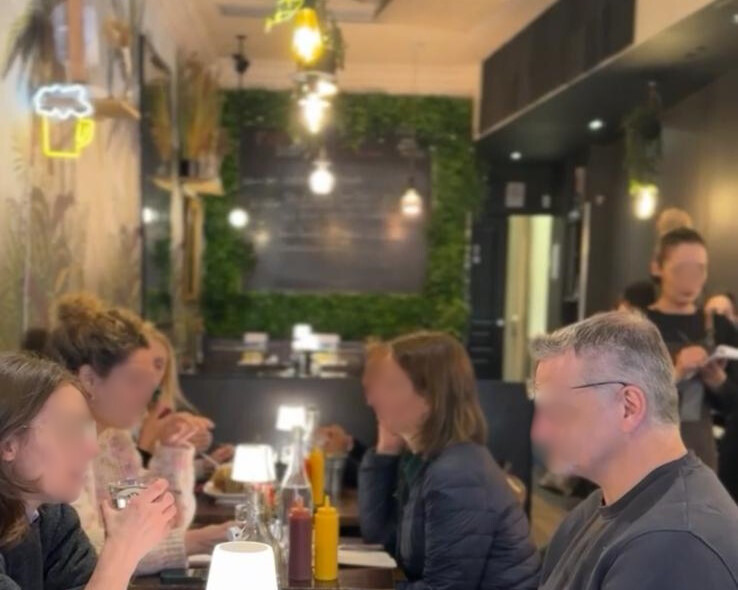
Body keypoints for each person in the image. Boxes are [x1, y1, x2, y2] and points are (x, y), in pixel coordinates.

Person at [531, 312, 738, 589]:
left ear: (628, 407)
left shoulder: (674, 546)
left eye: (557, 409)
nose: (540, 432)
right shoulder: (601, 504)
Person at [47, 294, 231, 575]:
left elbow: (164, 522)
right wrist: (193, 542)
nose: (149, 393)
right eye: (134, 380)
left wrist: (173, 450)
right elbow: (81, 552)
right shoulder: (57, 446)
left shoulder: (115, 440)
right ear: (89, 380)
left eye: (150, 380)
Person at [359, 332, 540, 590]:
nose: (372, 399)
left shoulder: (456, 473)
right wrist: (386, 450)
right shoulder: (426, 460)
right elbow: (381, 539)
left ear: (430, 398)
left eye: (391, 385)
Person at [0, 352, 177, 590]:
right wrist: (122, 550)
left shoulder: (53, 518)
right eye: (70, 430)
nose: (92, 449)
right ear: (8, 444)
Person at [646, 228, 738, 476]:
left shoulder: (719, 327)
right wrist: (676, 373)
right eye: (681, 270)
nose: (691, 279)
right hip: (643, 457)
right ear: (657, 268)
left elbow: (733, 405)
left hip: (700, 456)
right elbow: (617, 402)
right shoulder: (635, 326)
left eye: (699, 270)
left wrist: (718, 381)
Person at [142, 324, 234, 478]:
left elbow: (158, 477)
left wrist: (203, 464)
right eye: (141, 364)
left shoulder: (158, 411)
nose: (150, 373)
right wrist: (148, 443)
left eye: (158, 365)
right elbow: (121, 490)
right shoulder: (113, 422)